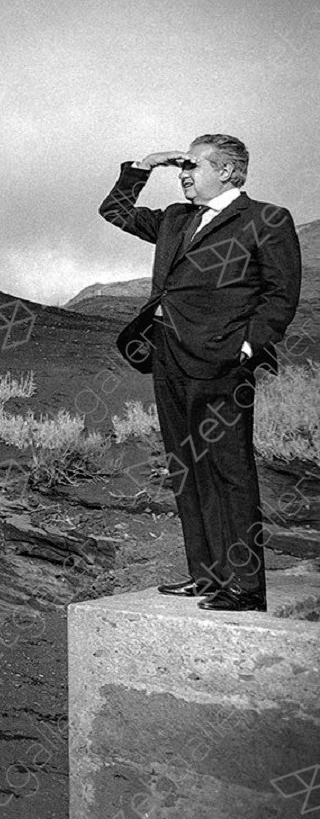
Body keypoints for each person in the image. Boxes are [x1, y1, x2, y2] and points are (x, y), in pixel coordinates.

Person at [99, 134, 302, 612]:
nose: (184, 175)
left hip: (222, 363)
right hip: (167, 356)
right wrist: (145, 166)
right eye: (180, 168)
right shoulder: (175, 218)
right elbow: (114, 210)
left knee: (229, 470)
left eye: (193, 166)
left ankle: (245, 587)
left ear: (228, 171)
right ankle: (207, 576)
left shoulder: (267, 219)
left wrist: (246, 346)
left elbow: (280, 294)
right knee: (186, 467)